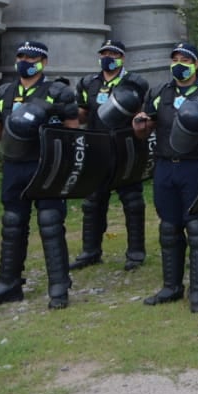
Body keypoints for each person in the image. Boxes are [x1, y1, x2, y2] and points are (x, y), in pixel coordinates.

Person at [0, 41, 80, 309]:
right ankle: (8, 284)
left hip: (46, 167)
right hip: (14, 165)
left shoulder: (58, 92)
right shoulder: (4, 91)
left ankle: (59, 286)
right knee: (12, 223)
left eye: (32, 57)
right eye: (21, 56)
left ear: (44, 62)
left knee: (51, 222)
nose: (26, 61)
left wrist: (65, 163)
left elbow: (73, 130)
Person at [133, 42, 198, 314]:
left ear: (196, 64)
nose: (179, 63)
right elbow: (145, 129)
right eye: (175, 58)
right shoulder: (159, 92)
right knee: (169, 228)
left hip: (197, 166)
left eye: (185, 59)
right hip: (166, 166)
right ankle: (171, 286)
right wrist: (140, 125)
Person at [71, 38, 152, 272]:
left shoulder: (134, 82)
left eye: (114, 54)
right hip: (97, 148)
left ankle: (135, 253)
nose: (109, 58)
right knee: (93, 202)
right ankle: (90, 251)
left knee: (132, 202)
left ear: (122, 58)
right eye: (105, 53)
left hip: (126, 149)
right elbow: (83, 113)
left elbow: (141, 112)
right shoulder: (89, 83)